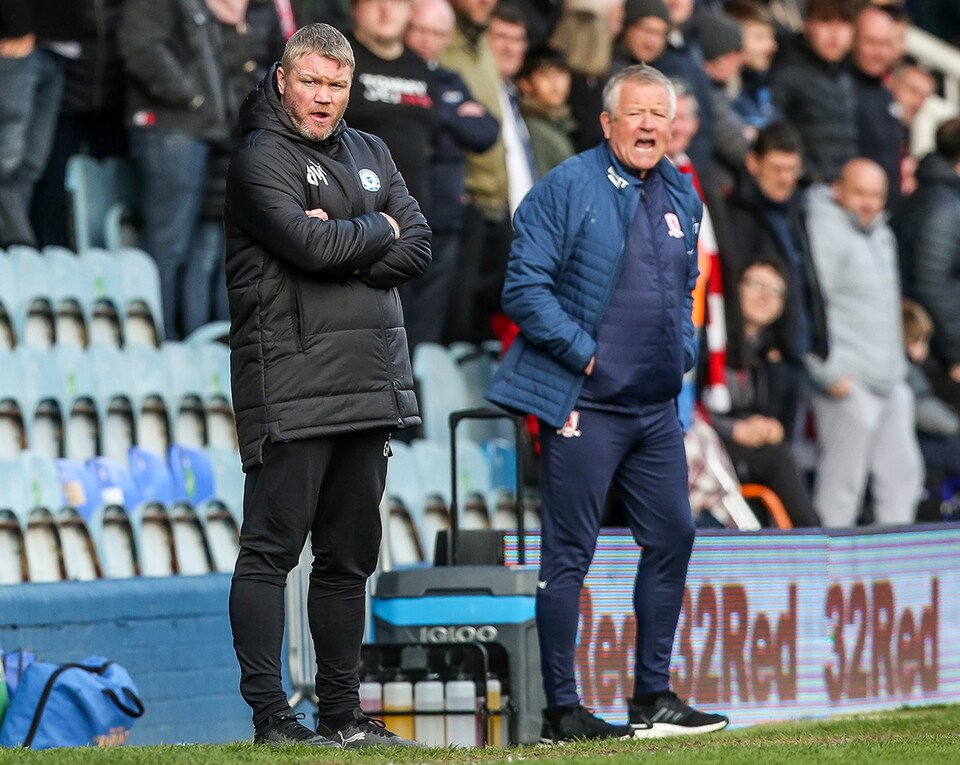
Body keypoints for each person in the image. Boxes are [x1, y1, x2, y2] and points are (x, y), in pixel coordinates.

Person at [487, 64, 729, 743]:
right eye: (636, 113)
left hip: (654, 407)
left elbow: (687, 288)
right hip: (583, 403)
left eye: (660, 114)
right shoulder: (565, 186)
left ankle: (652, 697)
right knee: (569, 552)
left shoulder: (682, 192)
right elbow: (523, 289)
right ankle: (562, 711)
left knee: (675, 535)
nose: (649, 125)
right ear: (607, 122)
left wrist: (680, 350)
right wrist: (585, 354)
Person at [224, 22, 431, 748]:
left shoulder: (373, 150)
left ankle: (341, 715)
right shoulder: (259, 156)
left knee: (348, 559)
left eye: (336, 85)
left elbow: (419, 244)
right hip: (291, 382)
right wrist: (376, 229)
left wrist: (351, 233)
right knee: (271, 552)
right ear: (283, 80)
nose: (323, 97)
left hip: (370, 382)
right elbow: (309, 247)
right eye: (311, 82)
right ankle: (272, 718)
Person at [804, 157, 922, 527]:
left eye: (877, 195)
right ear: (838, 189)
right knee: (842, 488)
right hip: (849, 382)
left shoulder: (881, 233)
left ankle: (897, 558)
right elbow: (811, 305)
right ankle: (831, 561)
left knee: (904, 478)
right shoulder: (824, 229)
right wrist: (828, 372)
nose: (869, 203)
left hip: (890, 379)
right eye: (860, 193)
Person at [404, 0, 499, 348]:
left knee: (430, 325)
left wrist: (434, 109)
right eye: (420, 29)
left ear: (447, 38)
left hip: (444, 219)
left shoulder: (449, 78)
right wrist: (453, 112)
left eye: (437, 33)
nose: (427, 39)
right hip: (401, 216)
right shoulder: (396, 74)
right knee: (397, 318)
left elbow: (485, 132)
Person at [724, 122, 828, 435]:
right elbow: (738, 286)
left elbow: (805, 280)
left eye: (792, 170)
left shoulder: (794, 211)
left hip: (795, 355)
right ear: (752, 163)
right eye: (777, 169)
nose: (785, 178)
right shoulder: (736, 215)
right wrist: (768, 343)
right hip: (762, 361)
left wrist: (818, 341)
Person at [710, 259, 820, 527]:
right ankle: (813, 537)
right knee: (777, 457)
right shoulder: (711, 340)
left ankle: (809, 537)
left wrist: (771, 427)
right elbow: (688, 407)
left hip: (750, 449)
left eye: (775, 291)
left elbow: (781, 419)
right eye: (757, 284)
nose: (765, 296)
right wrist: (734, 429)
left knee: (780, 451)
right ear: (736, 289)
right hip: (709, 441)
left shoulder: (774, 355)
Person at [894, 118, 960, 413]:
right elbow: (932, 285)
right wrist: (955, 352)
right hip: (936, 354)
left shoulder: (941, 197)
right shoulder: (943, 208)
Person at [770, 0, 860, 183]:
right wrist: (806, 174)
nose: (835, 33)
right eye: (826, 20)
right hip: (804, 186)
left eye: (844, 22)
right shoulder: (786, 73)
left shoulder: (849, 76)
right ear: (807, 25)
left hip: (845, 187)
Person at [851, 5, 903, 208]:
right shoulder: (840, 89)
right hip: (853, 208)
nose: (879, 53)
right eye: (871, 42)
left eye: (885, 44)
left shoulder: (886, 94)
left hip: (884, 212)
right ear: (854, 41)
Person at [517, 45, 576, 177]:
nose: (555, 82)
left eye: (561, 73)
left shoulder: (559, 122)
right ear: (525, 83)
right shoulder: (532, 127)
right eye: (545, 75)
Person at [726, 0, 780, 131]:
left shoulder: (762, 85)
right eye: (759, 37)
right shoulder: (723, 93)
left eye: (771, 37)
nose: (772, 46)